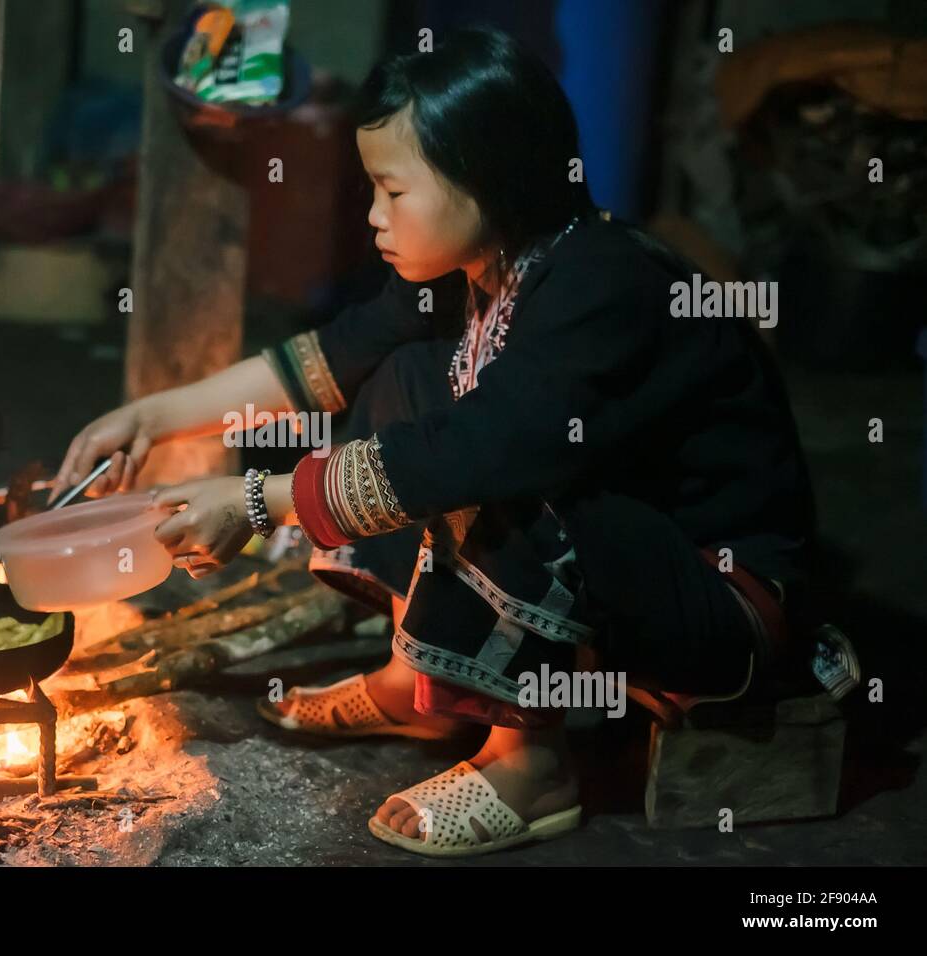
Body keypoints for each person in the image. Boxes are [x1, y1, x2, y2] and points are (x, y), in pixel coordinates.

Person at [52, 27, 816, 857]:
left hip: (716, 603)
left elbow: (490, 448)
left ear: (485, 178)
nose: (375, 218)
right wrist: (154, 417)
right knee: (407, 376)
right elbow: (333, 361)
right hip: (633, 556)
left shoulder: (605, 285)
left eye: (392, 191)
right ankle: (412, 680)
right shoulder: (485, 264)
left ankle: (530, 764)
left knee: (496, 460)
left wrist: (258, 501)